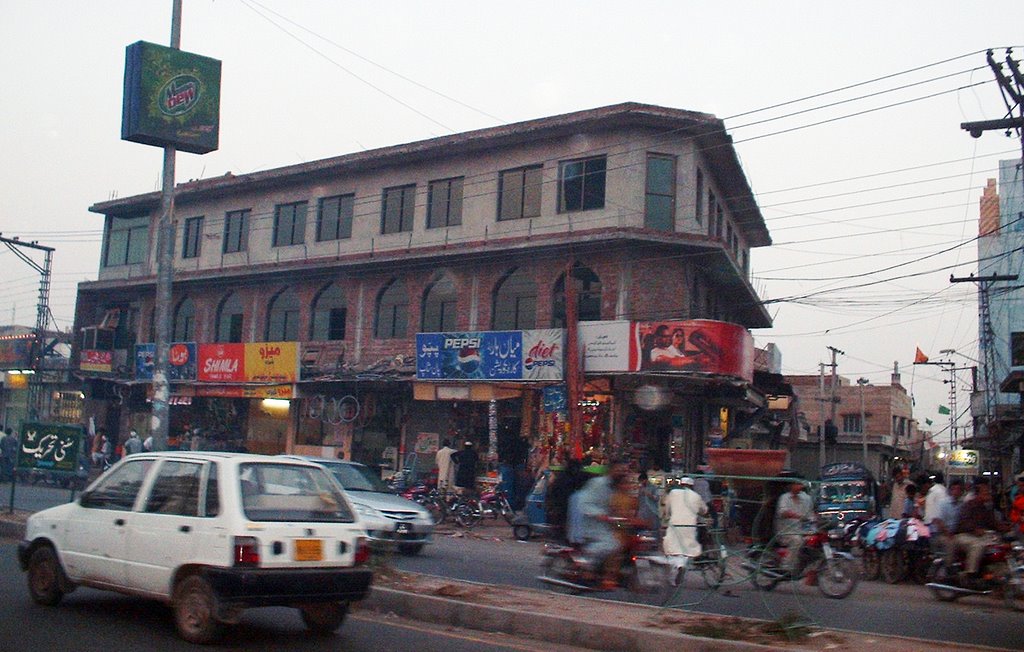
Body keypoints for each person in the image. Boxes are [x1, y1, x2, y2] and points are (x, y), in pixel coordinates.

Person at [570, 460, 630, 589]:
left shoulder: (613, 488)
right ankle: (585, 561)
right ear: (611, 471)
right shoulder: (598, 484)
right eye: (620, 470)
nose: (622, 473)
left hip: (604, 525)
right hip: (591, 524)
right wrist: (600, 515)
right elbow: (584, 503)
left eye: (624, 471)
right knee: (612, 543)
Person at [952, 478, 1006, 581]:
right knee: (978, 545)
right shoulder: (969, 505)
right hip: (963, 535)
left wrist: (1005, 527)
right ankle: (970, 573)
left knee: (998, 546)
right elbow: (964, 522)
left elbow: (992, 523)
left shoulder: (986, 508)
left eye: (988, 494)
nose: (988, 496)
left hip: (980, 536)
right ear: (978, 495)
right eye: (985, 494)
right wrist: (975, 530)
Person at [663, 476, 708, 579]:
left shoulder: (673, 493)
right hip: (689, 526)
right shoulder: (696, 496)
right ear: (692, 486)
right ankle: (681, 565)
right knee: (686, 549)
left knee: (671, 547)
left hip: (675, 525)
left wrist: (667, 517)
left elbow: (667, 509)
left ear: (681, 484)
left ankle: (676, 567)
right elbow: (704, 510)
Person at [775, 477, 814, 574]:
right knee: (797, 540)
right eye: (797, 484)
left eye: (800, 484)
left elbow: (811, 513)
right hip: (786, 531)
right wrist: (798, 516)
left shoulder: (806, 498)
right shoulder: (784, 498)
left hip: (804, 530)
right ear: (791, 486)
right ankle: (787, 565)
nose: (800, 486)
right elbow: (783, 512)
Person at [1009, 472, 1024, 537]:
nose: (1021, 488)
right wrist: (1019, 518)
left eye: (1023, 485)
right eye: (1020, 486)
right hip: (1020, 530)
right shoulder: (1018, 500)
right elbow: (1013, 515)